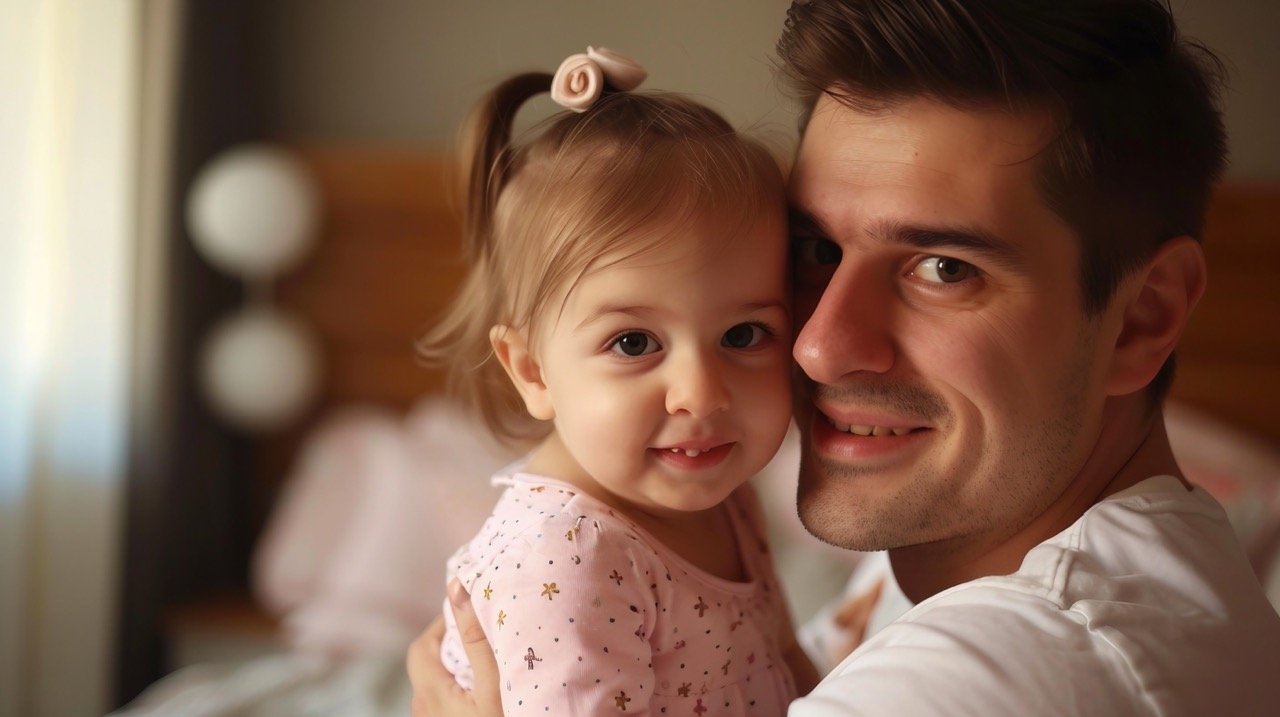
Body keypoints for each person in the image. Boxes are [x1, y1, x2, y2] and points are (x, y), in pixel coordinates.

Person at [410, 1, 1280, 714]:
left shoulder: (1008, 672)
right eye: (816, 249)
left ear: (1143, 318)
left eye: (943, 268)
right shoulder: (964, 532)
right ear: (528, 367)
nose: (819, 341)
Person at [416, 46, 821, 716]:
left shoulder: (721, 494)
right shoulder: (564, 558)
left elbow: (786, 661)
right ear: (532, 371)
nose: (702, 392)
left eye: (743, 335)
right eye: (634, 342)